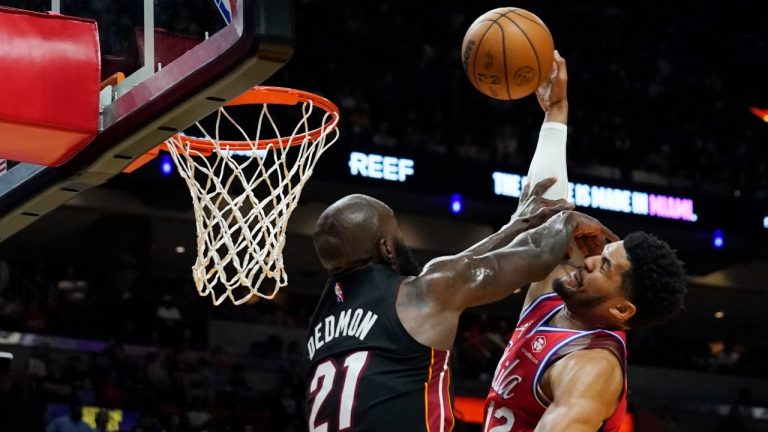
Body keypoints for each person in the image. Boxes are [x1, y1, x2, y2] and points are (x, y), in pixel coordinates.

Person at [305, 111, 616, 429]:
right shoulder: (422, 294)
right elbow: (537, 254)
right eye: (395, 229)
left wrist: (514, 226)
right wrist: (567, 220)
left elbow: (448, 275)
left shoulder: (322, 320)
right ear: (386, 248)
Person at [483, 51, 687, 432]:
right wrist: (556, 113)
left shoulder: (592, 367)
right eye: (602, 254)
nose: (588, 261)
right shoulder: (558, 300)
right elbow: (543, 209)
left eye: (605, 266)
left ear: (623, 311)